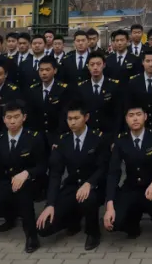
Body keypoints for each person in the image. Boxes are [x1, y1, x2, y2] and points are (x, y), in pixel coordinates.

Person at [0, 101, 45, 252]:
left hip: (31, 182)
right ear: (4, 119)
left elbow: (43, 166)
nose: (12, 121)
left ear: (24, 117)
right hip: (6, 182)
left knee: (23, 192)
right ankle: (10, 215)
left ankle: (32, 236)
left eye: (16, 117)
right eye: (9, 117)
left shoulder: (34, 138)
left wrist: (27, 173)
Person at [37, 103, 110, 250]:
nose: (72, 122)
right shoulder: (63, 141)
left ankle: (93, 232)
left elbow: (104, 168)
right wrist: (50, 204)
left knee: (87, 199)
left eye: (76, 118)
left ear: (86, 117)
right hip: (72, 186)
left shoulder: (98, 138)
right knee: (44, 228)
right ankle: (73, 221)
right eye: (69, 119)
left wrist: (89, 183)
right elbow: (56, 174)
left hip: (95, 186)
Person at [104, 105, 152, 253]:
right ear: (126, 119)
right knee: (114, 223)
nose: (135, 118)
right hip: (131, 187)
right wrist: (109, 205)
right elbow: (113, 173)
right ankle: (133, 226)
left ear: (145, 117)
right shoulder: (121, 141)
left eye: (138, 114)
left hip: (151, 187)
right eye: (131, 115)